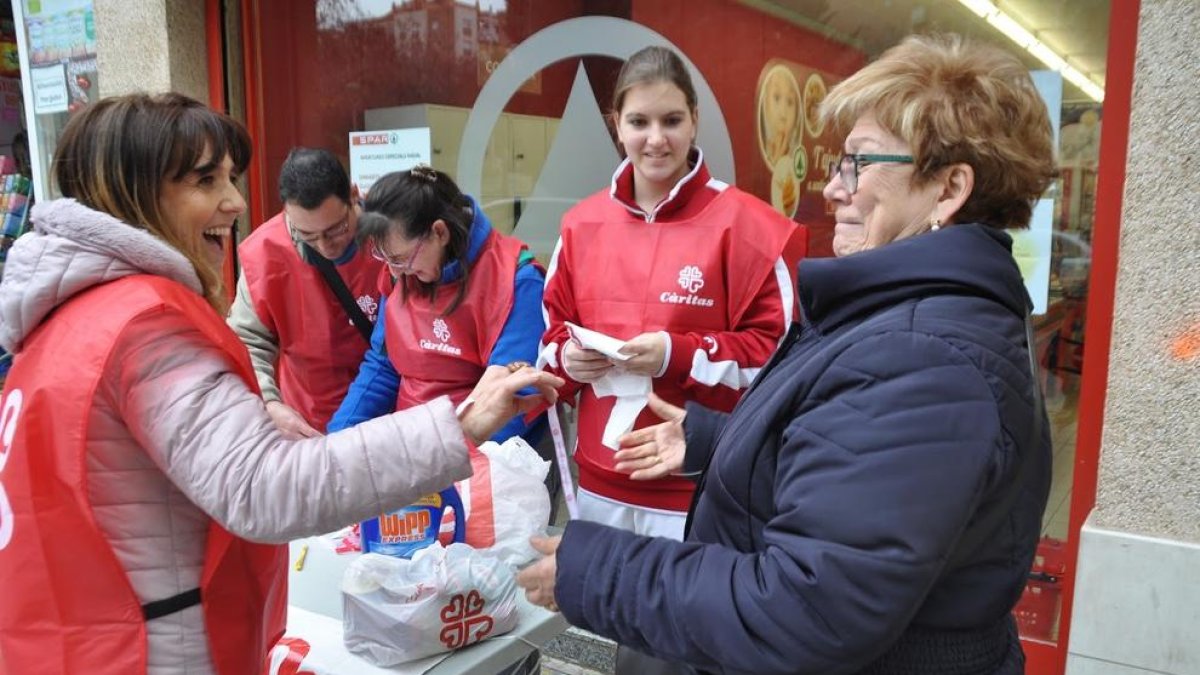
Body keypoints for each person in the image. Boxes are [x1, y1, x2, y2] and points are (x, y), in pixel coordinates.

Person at [519, 34, 1055, 675]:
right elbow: (843, 458)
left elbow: (804, 607)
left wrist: (594, 571)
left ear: (948, 189)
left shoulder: (925, 359)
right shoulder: (917, 323)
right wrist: (713, 437)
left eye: (858, 163)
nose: (832, 190)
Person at [0, 92, 561, 675]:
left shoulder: (67, 318)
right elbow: (266, 484)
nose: (235, 201)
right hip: (139, 647)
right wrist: (457, 427)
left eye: (231, 177)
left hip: (81, 639)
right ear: (132, 188)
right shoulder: (143, 323)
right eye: (206, 180)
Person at [538, 45, 806, 541]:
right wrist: (569, 360)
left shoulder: (753, 229)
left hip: (700, 485)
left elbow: (779, 365)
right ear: (617, 125)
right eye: (639, 122)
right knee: (598, 596)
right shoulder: (580, 226)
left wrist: (675, 354)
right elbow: (551, 339)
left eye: (672, 120)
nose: (656, 139)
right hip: (598, 483)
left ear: (695, 121)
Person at [328, 166, 546, 445]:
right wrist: (337, 441)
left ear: (439, 232)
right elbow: (382, 366)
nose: (394, 271)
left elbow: (513, 397)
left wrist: (445, 459)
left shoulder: (517, 280)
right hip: (413, 446)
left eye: (400, 259)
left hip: (483, 451)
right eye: (384, 257)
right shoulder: (401, 276)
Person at [228, 147, 386, 438]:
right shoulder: (264, 253)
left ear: (353, 195)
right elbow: (246, 341)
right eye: (308, 235)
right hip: (311, 426)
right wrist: (269, 402)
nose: (325, 246)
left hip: (391, 416)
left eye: (336, 230)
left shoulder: (389, 234)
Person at [759, 64, 802, 168]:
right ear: (765, 102)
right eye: (777, 98)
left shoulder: (795, 157)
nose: (783, 111)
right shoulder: (764, 147)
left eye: (790, 102)